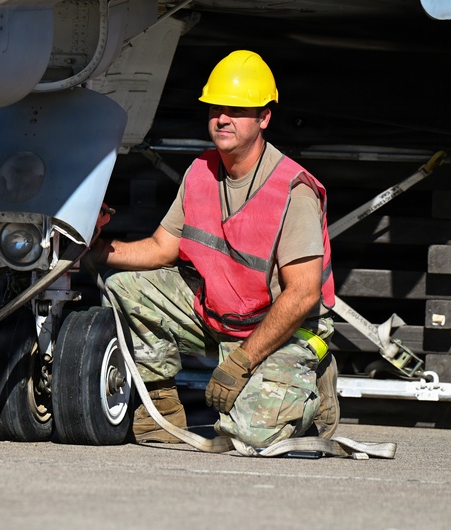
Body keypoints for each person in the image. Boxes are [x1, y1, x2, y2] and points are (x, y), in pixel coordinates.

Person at [89, 50, 338, 448]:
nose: (222, 118)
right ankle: (161, 408)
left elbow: (304, 292)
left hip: (283, 331)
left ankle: (316, 391)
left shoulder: (293, 190)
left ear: (264, 118)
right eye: (216, 108)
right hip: (219, 316)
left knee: (252, 437)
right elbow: (159, 249)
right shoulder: (200, 172)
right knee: (124, 283)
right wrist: (96, 250)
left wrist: (242, 361)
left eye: (237, 110)